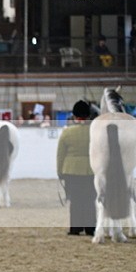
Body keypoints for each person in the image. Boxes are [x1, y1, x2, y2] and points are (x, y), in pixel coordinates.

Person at [56, 100, 97, 236]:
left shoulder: (67, 132)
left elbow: (60, 155)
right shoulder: (94, 132)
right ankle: (90, 228)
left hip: (71, 171)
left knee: (75, 200)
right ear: (88, 115)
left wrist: (60, 172)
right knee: (90, 200)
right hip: (91, 170)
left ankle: (76, 228)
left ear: (74, 115)